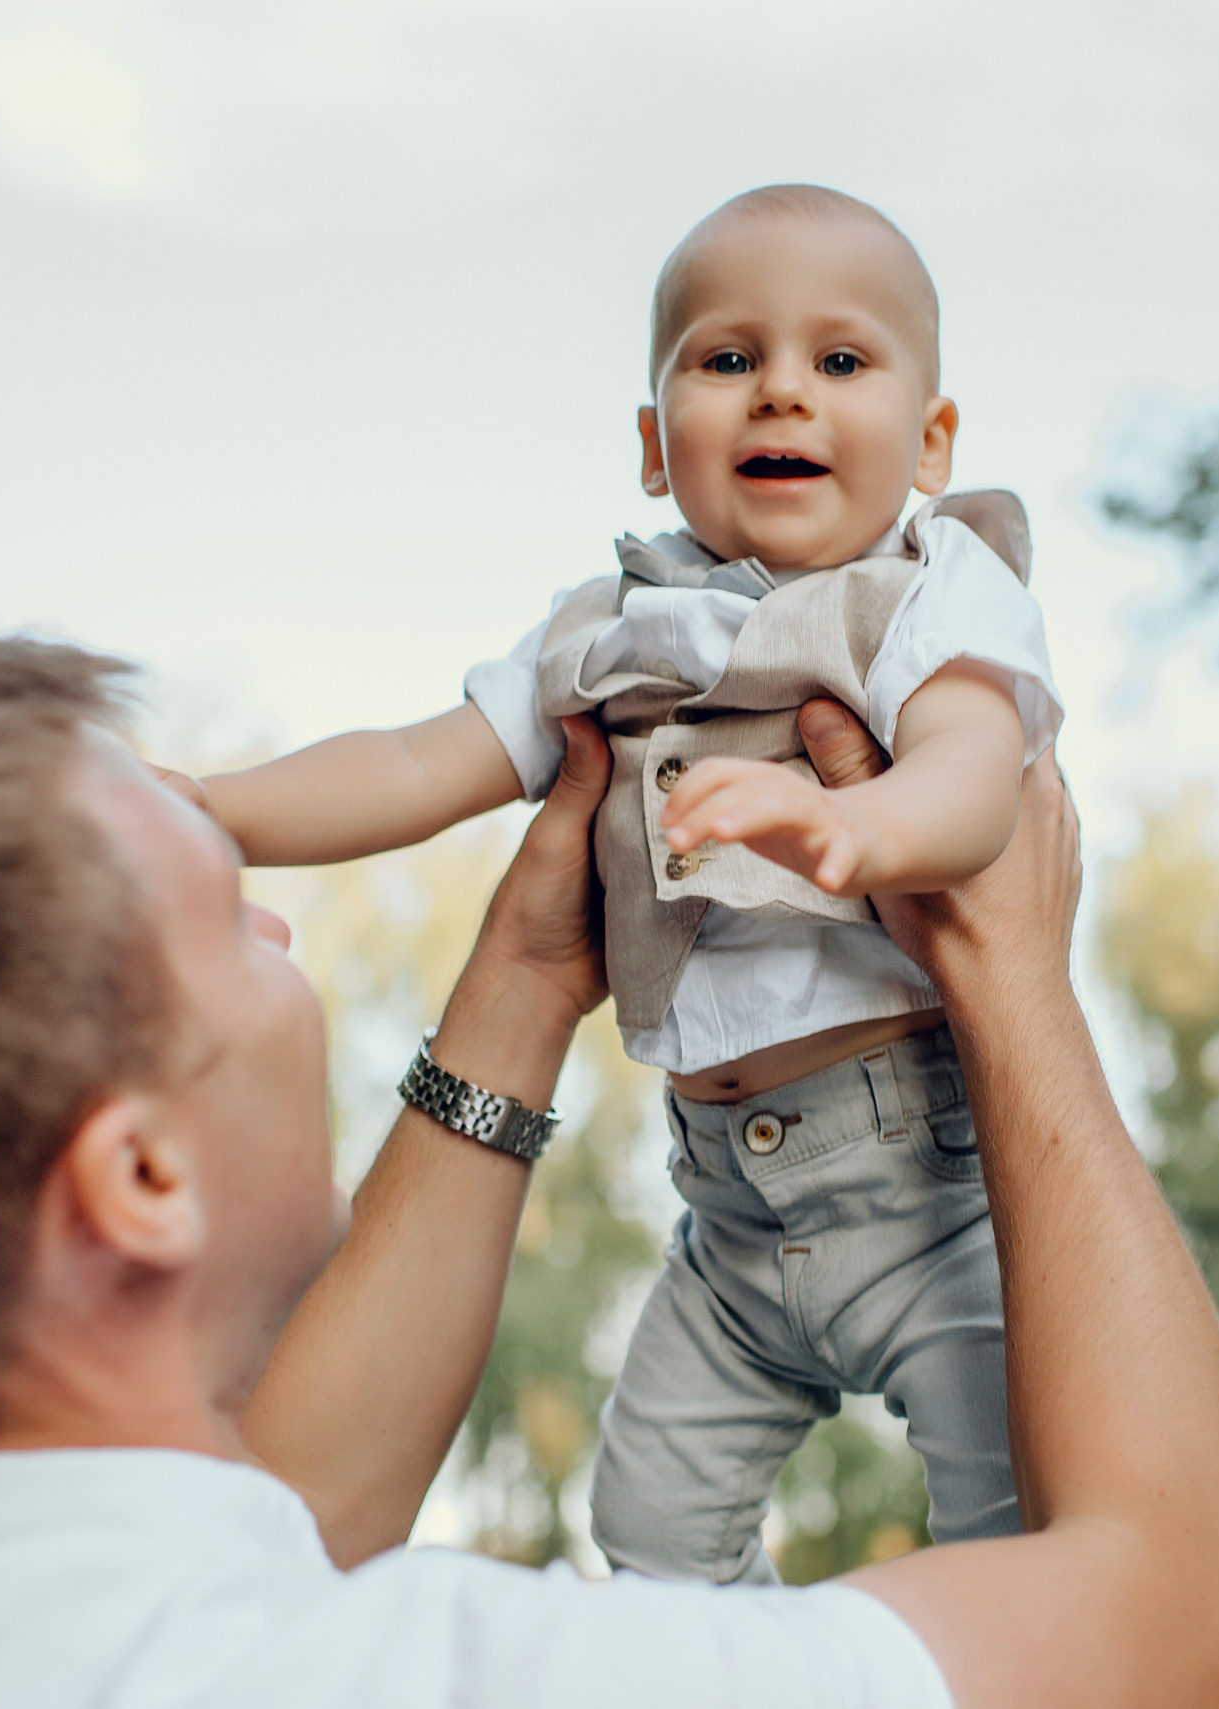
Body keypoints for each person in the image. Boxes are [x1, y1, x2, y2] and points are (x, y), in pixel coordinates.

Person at [0, 638, 1219, 1708]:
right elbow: (1181, 1630)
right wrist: (1010, 979)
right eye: (225, 918)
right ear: (134, 1175)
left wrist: (523, 982)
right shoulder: (433, 1684)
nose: (282, 918)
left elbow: (281, 1509)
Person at [181, 184, 1059, 1581]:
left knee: (1018, 1522)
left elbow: (974, 766)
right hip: (724, 1213)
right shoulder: (612, 625)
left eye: (841, 361)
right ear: (656, 446)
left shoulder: (926, 590)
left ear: (933, 439)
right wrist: (217, 813)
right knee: (648, 1532)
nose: (782, 391)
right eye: (728, 359)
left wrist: (860, 827)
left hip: (921, 1184)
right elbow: (424, 758)